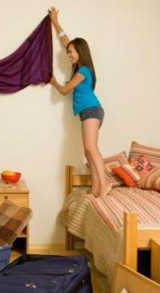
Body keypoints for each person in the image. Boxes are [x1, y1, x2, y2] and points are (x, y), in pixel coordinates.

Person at [48, 7, 111, 197]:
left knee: (91, 148)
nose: (69, 55)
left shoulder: (82, 72)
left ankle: (105, 184)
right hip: (88, 112)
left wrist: (54, 83)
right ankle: (95, 188)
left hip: (92, 110)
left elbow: (65, 90)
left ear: (81, 52)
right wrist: (55, 22)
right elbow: (65, 41)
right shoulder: (79, 66)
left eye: (72, 53)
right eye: (68, 53)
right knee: (87, 151)